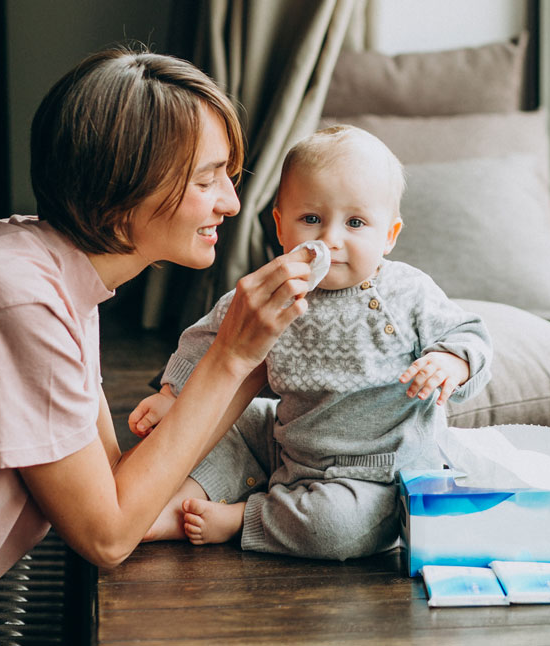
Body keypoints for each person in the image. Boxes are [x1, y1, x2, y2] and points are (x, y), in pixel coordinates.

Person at [0, 47, 319, 609]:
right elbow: (108, 534)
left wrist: (252, 354)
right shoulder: (21, 303)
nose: (233, 203)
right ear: (121, 187)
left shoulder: (47, 267)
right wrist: (229, 357)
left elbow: (118, 481)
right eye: (206, 180)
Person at [129, 125, 493, 560]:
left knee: (335, 525)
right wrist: (175, 397)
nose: (330, 239)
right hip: (288, 439)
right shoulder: (274, 287)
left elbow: (470, 335)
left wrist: (452, 363)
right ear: (281, 225)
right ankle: (166, 504)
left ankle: (246, 516)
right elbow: (209, 339)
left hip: (377, 474)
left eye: (355, 223)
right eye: (312, 219)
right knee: (217, 426)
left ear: (390, 235)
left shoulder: (407, 292)